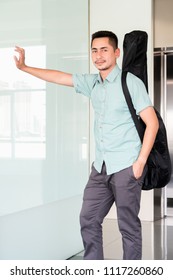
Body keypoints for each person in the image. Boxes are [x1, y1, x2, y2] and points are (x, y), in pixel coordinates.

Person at [14, 30, 159, 260]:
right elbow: (60, 77)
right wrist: (25, 68)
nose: (98, 55)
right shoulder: (93, 83)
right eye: (94, 50)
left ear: (116, 52)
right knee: (88, 219)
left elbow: (152, 124)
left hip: (126, 167)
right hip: (100, 168)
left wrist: (140, 163)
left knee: (128, 227)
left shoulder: (130, 83)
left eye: (104, 50)